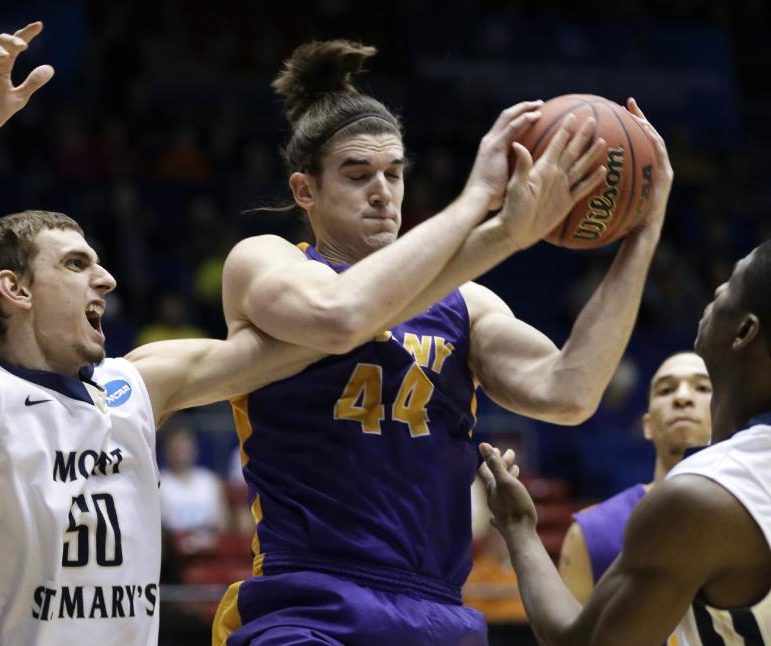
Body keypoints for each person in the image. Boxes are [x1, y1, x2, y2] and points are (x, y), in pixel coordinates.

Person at [0, 24, 328, 646]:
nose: (107, 279)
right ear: (17, 290)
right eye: (76, 264)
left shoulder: (138, 383)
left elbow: (319, 332)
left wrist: (451, 254)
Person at [212, 40, 671, 645]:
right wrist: (480, 204)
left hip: (436, 611)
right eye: (358, 175)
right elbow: (342, 317)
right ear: (305, 191)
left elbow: (570, 391)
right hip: (309, 603)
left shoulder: (466, 302)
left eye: (395, 174)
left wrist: (643, 231)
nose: (383, 191)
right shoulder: (266, 261)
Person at [479, 240, 771, 644]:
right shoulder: (602, 528)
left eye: (732, 283)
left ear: (744, 331)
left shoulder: (705, 497)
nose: (717, 289)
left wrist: (518, 529)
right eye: (666, 388)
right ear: (647, 422)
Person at [559, 352, 712, 603]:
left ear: (725, 411)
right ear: (647, 425)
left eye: (702, 387)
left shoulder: (760, 516)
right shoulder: (591, 533)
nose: (683, 398)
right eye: (666, 390)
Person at [158, 424, 229, 539]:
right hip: (173, 548)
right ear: (166, 450)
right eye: (175, 449)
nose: (180, 454)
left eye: (184, 448)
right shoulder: (159, 482)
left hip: (209, 546)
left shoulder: (209, 480)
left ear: (194, 449)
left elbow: (223, 524)